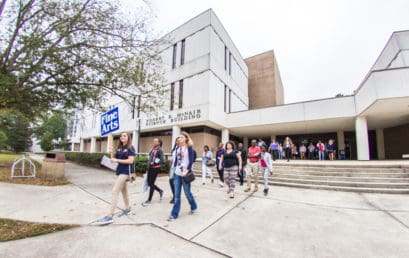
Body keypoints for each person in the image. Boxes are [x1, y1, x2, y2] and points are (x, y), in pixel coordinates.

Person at [96, 132, 135, 225]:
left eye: (125, 136)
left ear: (128, 137)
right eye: (121, 136)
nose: (122, 137)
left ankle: (109, 216)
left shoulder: (130, 147)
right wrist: (112, 153)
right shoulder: (119, 148)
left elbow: (131, 160)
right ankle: (128, 208)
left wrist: (117, 159)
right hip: (119, 171)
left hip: (126, 172)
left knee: (115, 191)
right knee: (124, 191)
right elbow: (113, 160)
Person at [168, 131, 198, 221]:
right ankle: (174, 214)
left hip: (185, 174)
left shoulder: (189, 148)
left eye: (181, 137)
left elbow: (191, 161)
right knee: (177, 195)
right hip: (177, 174)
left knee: (187, 193)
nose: (179, 138)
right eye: (179, 137)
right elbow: (176, 162)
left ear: (186, 138)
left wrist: (187, 170)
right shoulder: (177, 148)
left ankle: (194, 206)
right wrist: (172, 171)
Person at [142, 138, 164, 206]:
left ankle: (149, 200)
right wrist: (148, 166)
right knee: (149, 183)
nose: (154, 142)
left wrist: (155, 162)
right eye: (153, 141)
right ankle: (160, 191)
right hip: (150, 168)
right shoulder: (152, 149)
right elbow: (150, 156)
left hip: (155, 168)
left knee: (151, 183)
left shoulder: (160, 150)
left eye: (155, 141)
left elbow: (162, 159)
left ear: (159, 143)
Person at [169, 137, 179, 204]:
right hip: (173, 167)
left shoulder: (182, 149)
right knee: (171, 181)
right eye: (176, 141)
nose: (177, 142)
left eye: (178, 141)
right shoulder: (174, 149)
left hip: (178, 167)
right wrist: (170, 168)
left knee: (177, 183)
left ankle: (176, 197)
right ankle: (174, 195)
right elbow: (172, 159)